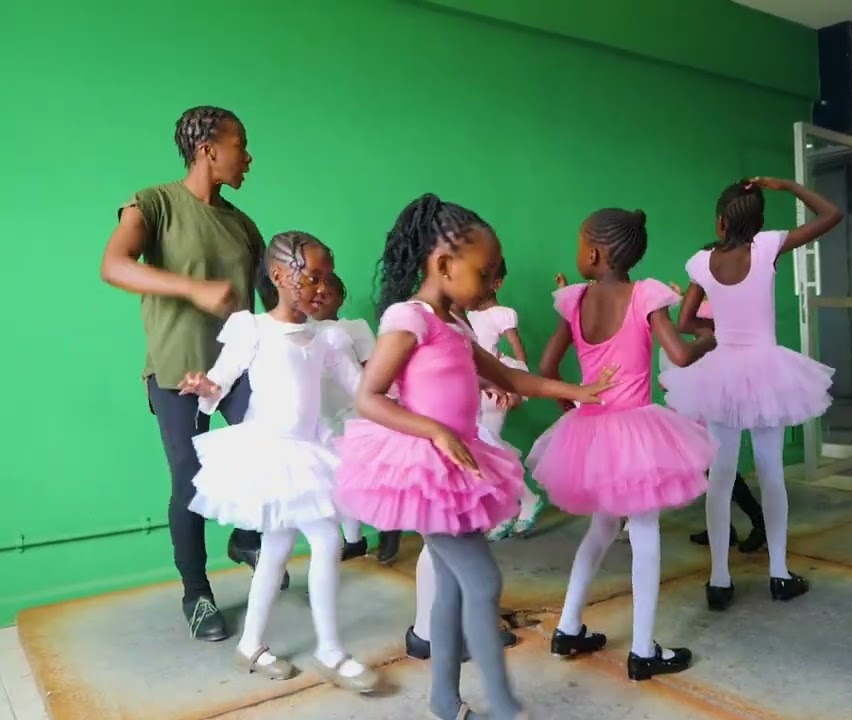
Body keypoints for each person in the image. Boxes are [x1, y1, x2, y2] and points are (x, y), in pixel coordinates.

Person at [335, 193, 614, 720]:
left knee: (451, 590)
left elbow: (506, 375)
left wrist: (576, 391)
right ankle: (505, 706)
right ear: (443, 265)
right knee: (482, 583)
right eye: (484, 274)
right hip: (425, 471)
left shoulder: (457, 324)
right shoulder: (410, 318)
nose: (490, 285)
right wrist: (435, 431)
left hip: (458, 463)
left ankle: (444, 701)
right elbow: (368, 397)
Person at [100, 105, 283, 641]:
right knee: (190, 480)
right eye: (240, 146)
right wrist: (193, 289)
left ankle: (247, 537)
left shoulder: (242, 224)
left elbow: (272, 298)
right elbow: (114, 265)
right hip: (177, 369)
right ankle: (196, 593)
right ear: (208, 150)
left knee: (274, 447)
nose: (248, 158)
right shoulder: (153, 203)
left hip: (238, 366)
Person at [179, 233, 378, 691]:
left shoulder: (327, 337)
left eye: (327, 279)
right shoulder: (253, 329)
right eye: (312, 278)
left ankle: (250, 644)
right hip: (270, 452)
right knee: (325, 538)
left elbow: (361, 389)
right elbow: (221, 380)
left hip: (308, 452)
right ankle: (330, 651)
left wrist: (399, 398)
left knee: (275, 549)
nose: (322, 288)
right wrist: (204, 387)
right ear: (279, 276)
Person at [529, 208, 717, 682]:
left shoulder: (574, 301)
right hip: (637, 433)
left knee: (601, 529)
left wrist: (572, 412)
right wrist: (709, 339)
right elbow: (679, 354)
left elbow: (548, 371)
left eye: (579, 244)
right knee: (645, 533)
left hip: (591, 429)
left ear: (594, 254)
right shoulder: (645, 295)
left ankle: (568, 628)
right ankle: (642, 650)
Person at [661, 177, 842, 612]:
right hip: (766, 371)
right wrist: (788, 186)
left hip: (721, 371)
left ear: (720, 223)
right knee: (772, 473)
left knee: (720, 478)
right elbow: (832, 214)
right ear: (759, 223)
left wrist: (720, 330)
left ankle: (719, 581)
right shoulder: (767, 247)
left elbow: (685, 322)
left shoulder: (702, 262)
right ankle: (779, 573)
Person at [659, 286, 767, 553]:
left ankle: (758, 521)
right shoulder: (711, 311)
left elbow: (703, 351)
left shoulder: (712, 312)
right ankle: (724, 527)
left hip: (711, 400)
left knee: (717, 467)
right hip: (701, 398)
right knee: (711, 468)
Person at [466, 260, 548, 541]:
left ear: (497, 283)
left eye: (482, 278)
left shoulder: (501, 314)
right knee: (484, 452)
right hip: (472, 389)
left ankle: (527, 500)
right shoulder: (466, 315)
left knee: (490, 448)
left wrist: (516, 388)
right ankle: (507, 510)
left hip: (494, 390)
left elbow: (518, 352)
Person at [309, 273, 378, 560]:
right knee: (333, 480)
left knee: (358, 477)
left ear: (340, 298)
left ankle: (380, 532)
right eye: (314, 290)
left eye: (328, 292)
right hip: (319, 415)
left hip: (353, 413)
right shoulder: (300, 330)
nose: (320, 294)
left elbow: (372, 367)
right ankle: (351, 539)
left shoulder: (353, 327)